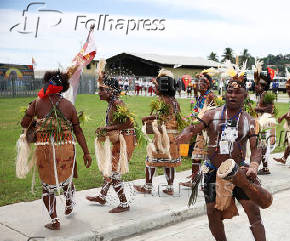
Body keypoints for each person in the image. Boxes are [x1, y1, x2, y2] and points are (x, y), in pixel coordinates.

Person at [175, 66, 290, 241]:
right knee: (213, 214)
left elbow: (257, 148)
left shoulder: (249, 120)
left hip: (238, 172)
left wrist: (254, 165)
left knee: (253, 211)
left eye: (237, 92)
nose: (232, 94)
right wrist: (185, 134)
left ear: (245, 94)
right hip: (213, 172)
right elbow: (193, 127)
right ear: (225, 93)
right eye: (229, 91)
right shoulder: (211, 115)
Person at [20, 70, 92, 230]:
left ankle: (55, 221)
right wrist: (86, 152)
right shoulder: (69, 106)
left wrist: (31, 109)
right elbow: (78, 131)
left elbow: (24, 124)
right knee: (66, 179)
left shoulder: (38, 102)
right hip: (66, 149)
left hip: (45, 150)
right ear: (63, 87)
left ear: (47, 84)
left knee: (47, 187)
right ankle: (68, 202)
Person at [86, 76, 136, 213]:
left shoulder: (117, 103)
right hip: (121, 139)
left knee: (114, 173)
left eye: (102, 89)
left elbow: (129, 123)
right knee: (109, 168)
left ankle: (124, 204)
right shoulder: (112, 103)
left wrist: (107, 129)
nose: (99, 92)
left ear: (112, 91)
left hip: (126, 140)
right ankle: (102, 196)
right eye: (99, 89)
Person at [134, 70, 182, 195]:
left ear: (163, 88)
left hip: (163, 136)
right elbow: (170, 117)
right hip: (173, 136)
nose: (154, 88)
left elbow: (160, 118)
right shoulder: (174, 101)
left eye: (156, 86)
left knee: (150, 160)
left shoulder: (164, 101)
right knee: (169, 163)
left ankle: (148, 187)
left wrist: (147, 118)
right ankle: (170, 188)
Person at [180, 69, 217, 187]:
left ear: (209, 85)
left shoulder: (210, 96)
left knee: (208, 158)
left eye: (204, 83)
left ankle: (208, 183)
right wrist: (189, 119)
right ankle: (194, 182)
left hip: (209, 132)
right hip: (200, 131)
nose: (201, 84)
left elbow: (213, 113)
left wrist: (199, 120)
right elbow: (196, 112)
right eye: (200, 82)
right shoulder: (201, 97)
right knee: (196, 157)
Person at [253, 59, 276, 174]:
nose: (255, 86)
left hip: (265, 123)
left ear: (263, 86)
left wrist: (256, 109)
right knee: (261, 144)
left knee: (263, 144)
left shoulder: (265, 95)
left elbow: (270, 109)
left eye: (257, 84)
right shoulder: (261, 94)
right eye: (256, 84)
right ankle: (264, 166)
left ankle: (265, 167)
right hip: (262, 122)